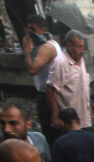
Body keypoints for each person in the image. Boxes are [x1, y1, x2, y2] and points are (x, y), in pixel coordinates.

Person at [22, 14, 62, 145]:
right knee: (54, 131)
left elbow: (33, 70)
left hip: (48, 95)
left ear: (43, 30)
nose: (30, 33)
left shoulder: (47, 47)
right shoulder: (52, 43)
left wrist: (27, 50)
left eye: (33, 29)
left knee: (51, 132)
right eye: (28, 30)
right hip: (53, 93)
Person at [46, 30, 92, 132]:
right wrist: (54, 115)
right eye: (79, 47)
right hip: (68, 120)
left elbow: (83, 85)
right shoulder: (60, 63)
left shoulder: (80, 59)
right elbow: (50, 89)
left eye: (82, 47)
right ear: (69, 46)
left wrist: (88, 106)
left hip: (83, 115)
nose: (82, 50)